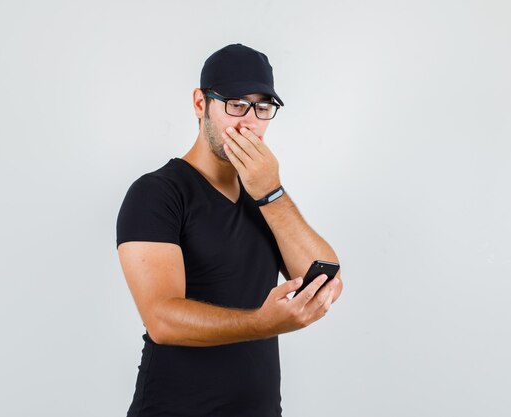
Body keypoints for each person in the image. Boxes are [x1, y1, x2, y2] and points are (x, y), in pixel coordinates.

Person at [116, 43, 343, 417]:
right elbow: (161, 319)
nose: (249, 122)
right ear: (200, 104)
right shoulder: (157, 193)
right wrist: (260, 323)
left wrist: (271, 192)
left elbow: (326, 280)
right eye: (235, 104)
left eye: (262, 107)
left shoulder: (265, 196)